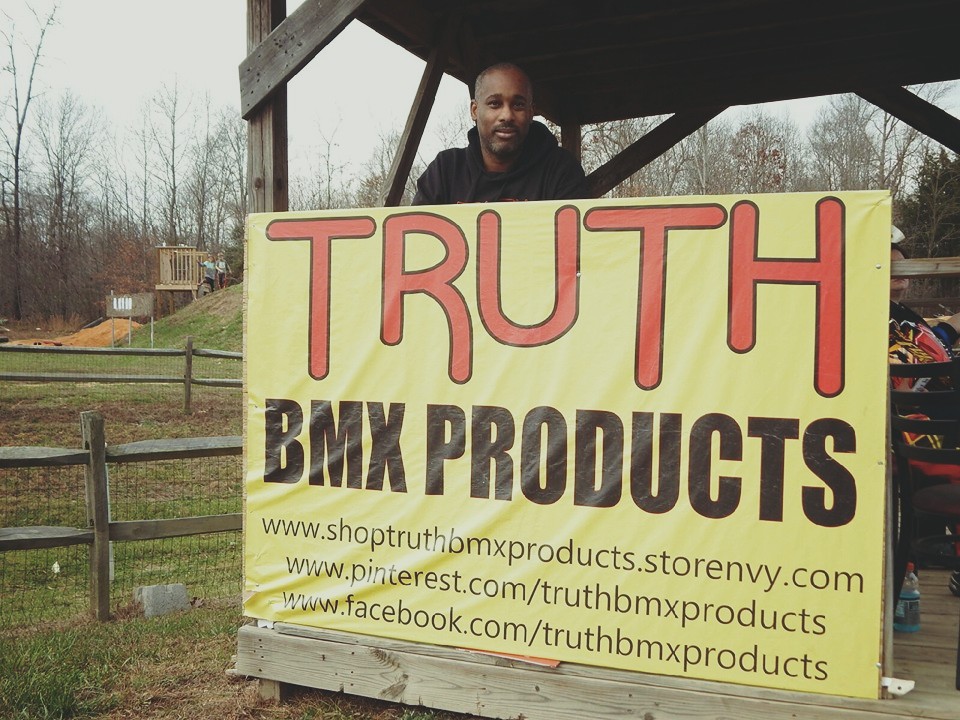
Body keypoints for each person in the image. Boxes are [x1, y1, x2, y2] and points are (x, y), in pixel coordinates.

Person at [888, 227, 960, 597]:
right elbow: (905, 375)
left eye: (902, 261)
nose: (898, 266)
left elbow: (937, 343)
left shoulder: (905, 315)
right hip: (917, 427)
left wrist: (950, 327)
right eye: (888, 263)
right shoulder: (863, 313)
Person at [412, 62, 589, 205]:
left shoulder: (560, 170)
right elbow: (415, 234)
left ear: (530, 113)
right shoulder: (445, 170)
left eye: (518, 105)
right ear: (475, 110)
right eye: (495, 104)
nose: (507, 116)